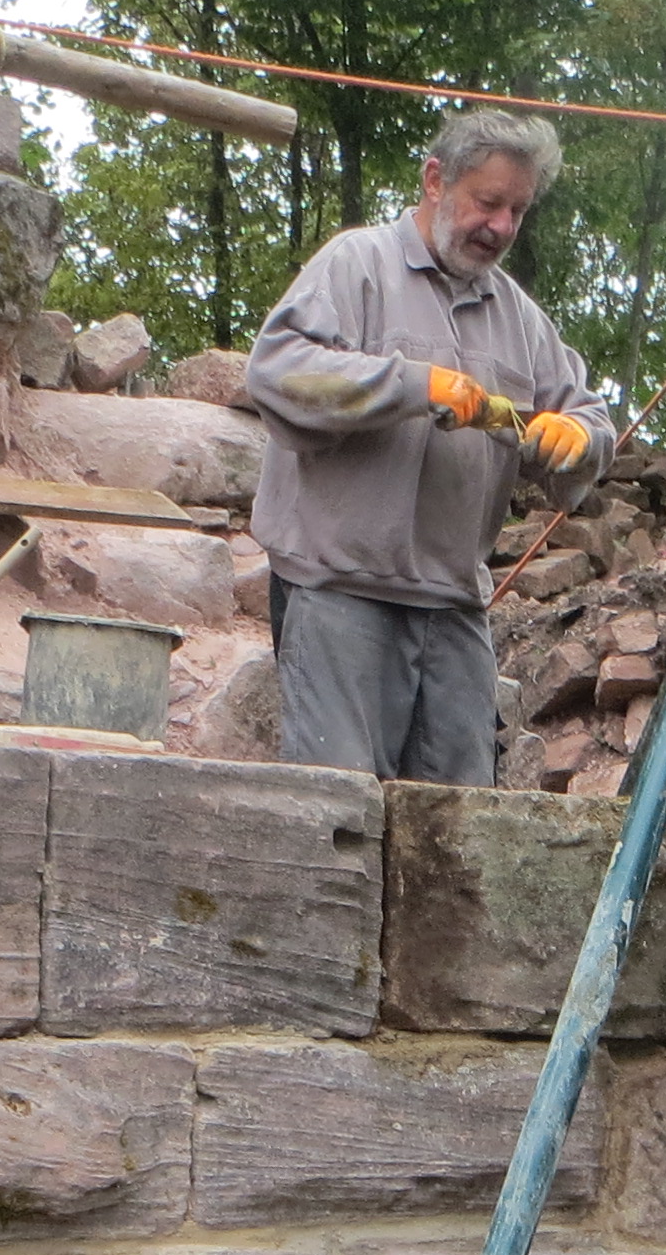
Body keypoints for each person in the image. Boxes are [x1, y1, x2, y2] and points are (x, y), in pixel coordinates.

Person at [241, 110, 617, 782]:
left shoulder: (520, 318)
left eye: (517, 211)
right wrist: (413, 385)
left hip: (453, 604)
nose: (501, 226)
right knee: (339, 805)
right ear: (435, 180)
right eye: (488, 202)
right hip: (338, 590)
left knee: (463, 816)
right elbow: (277, 370)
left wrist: (581, 438)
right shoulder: (356, 263)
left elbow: (588, 415)